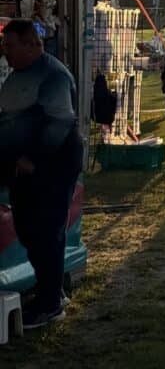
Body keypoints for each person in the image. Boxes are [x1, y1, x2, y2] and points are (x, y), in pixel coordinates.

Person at [0, 18, 83, 329]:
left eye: (10, 45)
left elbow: (60, 122)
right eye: (4, 46)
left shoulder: (53, 75)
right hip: (22, 166)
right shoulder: (18, 75)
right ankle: (51, 290)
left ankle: (50, 303)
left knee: (46, 230)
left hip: (50, 165)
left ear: (31, 44)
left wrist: (33, 158)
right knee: (29, 229)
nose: (5, 51)